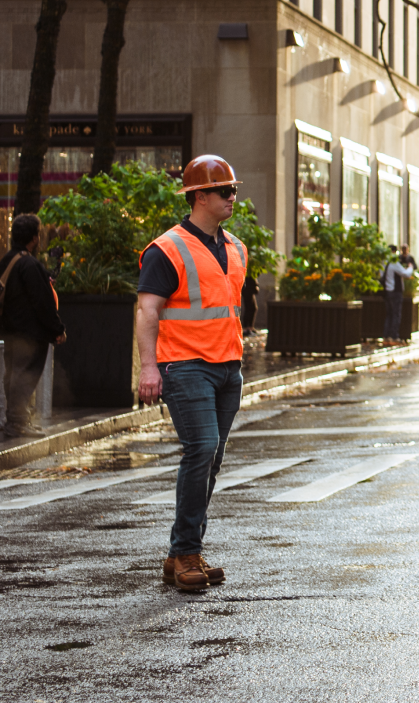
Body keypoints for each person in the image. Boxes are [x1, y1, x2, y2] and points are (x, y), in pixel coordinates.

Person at [135, 154, 250, 593]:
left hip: (227, 370)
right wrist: (149, 367)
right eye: (224, 191)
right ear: (199, 196)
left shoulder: (237, 248)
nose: (232, 197)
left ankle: (184, 553)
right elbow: (148, 311)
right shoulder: (167, 249)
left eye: (234, 189)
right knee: (201, 449)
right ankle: (184, 552)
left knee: (212, 459)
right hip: (185, 367)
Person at [0, 212, 66, 436]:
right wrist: (58, 330)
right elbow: (42, 302)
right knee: (25, 376)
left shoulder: (6, 261)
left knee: (12, 375)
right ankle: (18, 422)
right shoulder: (29, 264)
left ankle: (15, 420)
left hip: (9, 330)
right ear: (34, 237)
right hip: (30, 334)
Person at [379, 248, 414, 342]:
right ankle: (394, 336)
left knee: (389, 314)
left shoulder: (384, 263)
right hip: (395, 292)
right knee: (396, 314)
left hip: (387, 292)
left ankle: (386, 335)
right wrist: (410, 267)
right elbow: (406, 274)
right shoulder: (394, 263)